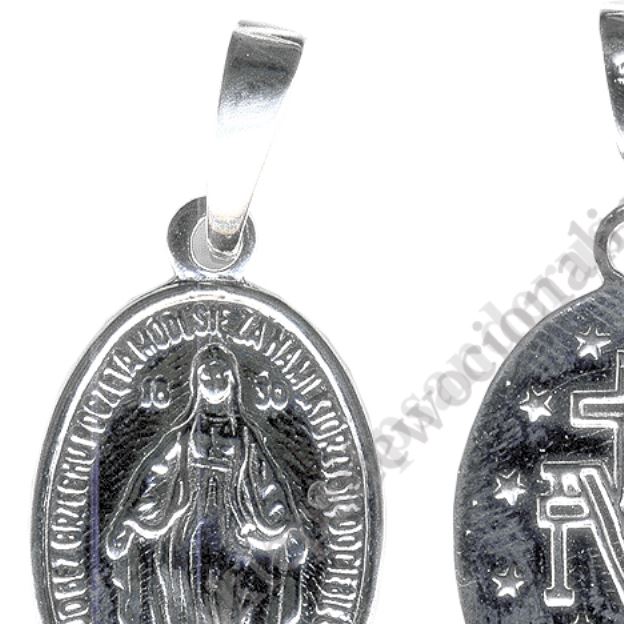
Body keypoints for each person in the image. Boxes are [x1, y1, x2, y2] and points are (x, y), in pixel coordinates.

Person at [105, 342, 309, 624]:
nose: (215, 382)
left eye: (221, 375)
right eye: (207, 376)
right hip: (187, 528)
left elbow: (268, 487)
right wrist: (130, 522)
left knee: (230, 594)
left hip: (233, 526)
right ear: (197, 384)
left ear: (232, 381)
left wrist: (285, 527)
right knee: (185, 589)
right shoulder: (183, 437)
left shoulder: (246, 438)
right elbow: (155, 478)